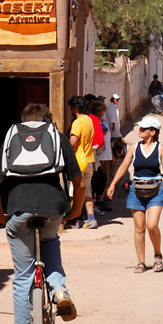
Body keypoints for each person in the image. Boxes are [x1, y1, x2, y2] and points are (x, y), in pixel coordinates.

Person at [0, 103, 84, 324]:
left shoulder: (12, 137)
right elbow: (79, 182)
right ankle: (59, 291)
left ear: (24, 121)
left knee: (22, 279)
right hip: (53, 209)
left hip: (18, 211)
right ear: (47, 121)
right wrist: (74, 211)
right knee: (50, 241)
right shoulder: (58, 138)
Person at [107, 116, 163, 273]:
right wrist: (112, 184)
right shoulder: (134, 147)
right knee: (139, 227)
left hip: (156, 190)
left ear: (152, 132)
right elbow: (124, 165)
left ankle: (157, 255)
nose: (140, 130)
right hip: (136, 190)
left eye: (144, 129)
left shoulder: (160, 149)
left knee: (152, 225)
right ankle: (141, 262)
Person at [67, 96, 98, 228]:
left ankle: (74, 220)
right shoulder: (89, 121)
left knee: (74, 192)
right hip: (89, 160)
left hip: (78, 162)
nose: (71, 111)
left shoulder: (78, 122)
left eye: (72, 109)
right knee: (87, 192)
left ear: (76, 108)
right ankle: (91, 218)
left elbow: (73, 143)